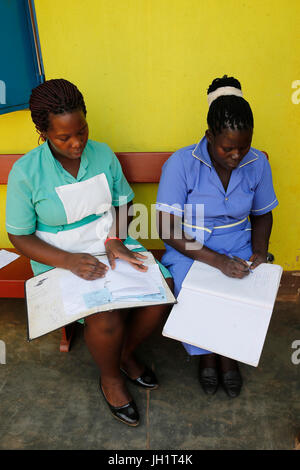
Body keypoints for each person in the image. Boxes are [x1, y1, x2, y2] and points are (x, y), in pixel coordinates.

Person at [5, 78, 173, 426]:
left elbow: (124, 203)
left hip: (107, 240)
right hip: (58, 254)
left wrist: (115, 240)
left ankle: (123, 355)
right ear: (43, 131)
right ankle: (110, 378)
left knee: (159, 296)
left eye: (81, 130)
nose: (77, 142)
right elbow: (19, 235)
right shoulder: (27, 172)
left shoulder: (103, 154)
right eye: (64, 137)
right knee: (105, 315)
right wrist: (68, 261)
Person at [156, 75, 278, 398]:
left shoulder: (257, 163)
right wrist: (218, 261)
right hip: (190, 247)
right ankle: (207, 355)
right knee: (194, 290)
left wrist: (260, 252)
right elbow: (166, 227)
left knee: (243, 288)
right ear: (209, 135)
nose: (237, 154)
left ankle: (228, 356)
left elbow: (263, 212)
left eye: (244, 145)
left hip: (238, 241)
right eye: (228, 147)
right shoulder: (181, 163)